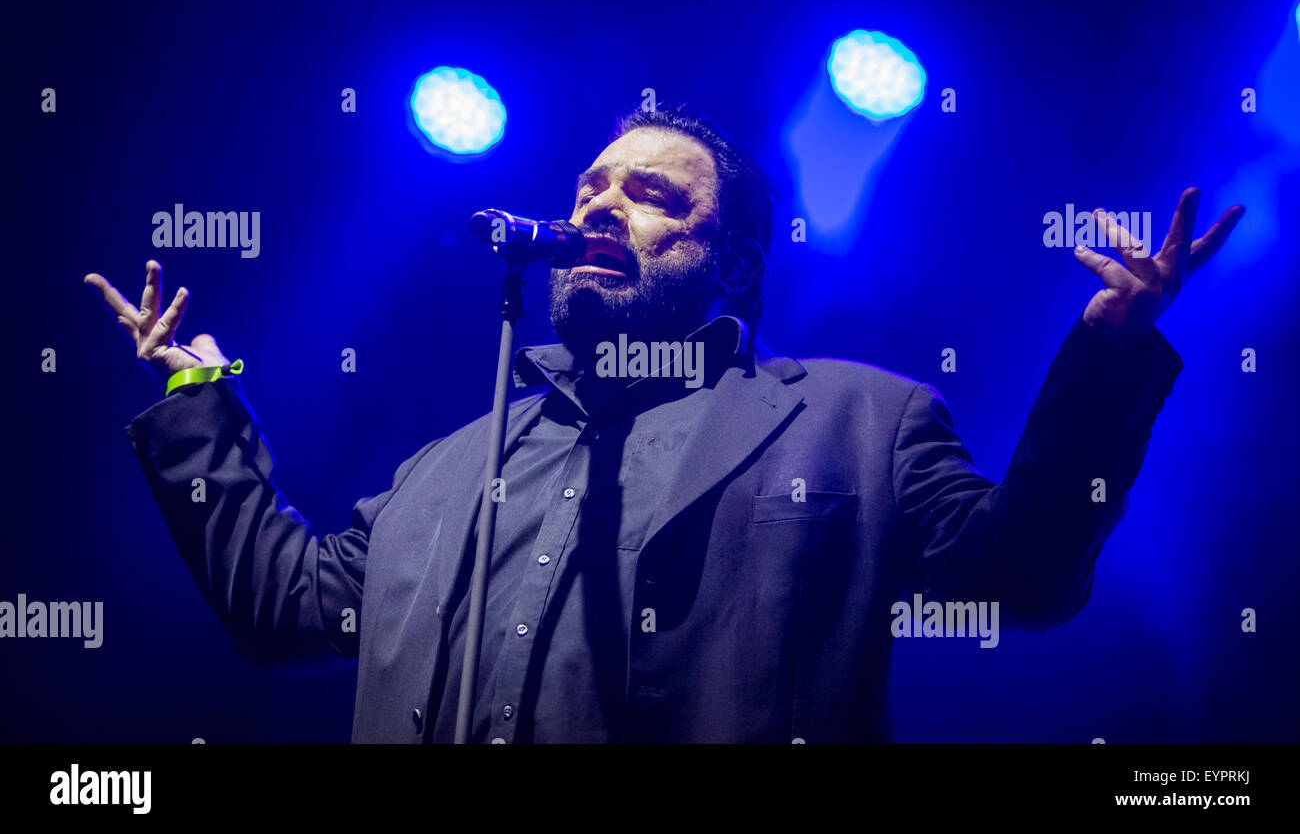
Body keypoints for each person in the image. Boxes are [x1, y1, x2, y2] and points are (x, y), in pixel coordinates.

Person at [84, 107, 1244, 743]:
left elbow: (1022, 583)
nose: (599, 204)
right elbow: (282, 610)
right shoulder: (449, 466)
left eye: (649, 194)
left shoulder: (856, 421)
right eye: (591, 186)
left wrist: (1110, 352)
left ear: (732, 260)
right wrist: (201, 406)